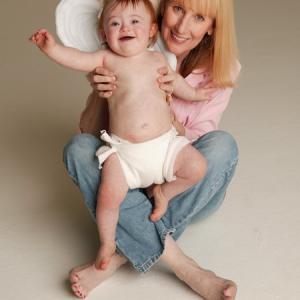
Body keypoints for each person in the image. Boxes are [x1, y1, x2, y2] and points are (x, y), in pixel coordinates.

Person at [62, 0, 240, 299]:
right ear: (162, 10)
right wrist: (99, 93)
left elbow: (196, 144)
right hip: (132, 171)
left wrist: (167, 106)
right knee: (78, 149)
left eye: (199, 18)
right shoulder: (128, 39)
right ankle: (184, 265)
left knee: (223, 146)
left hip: (181, 185)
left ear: (212, 28)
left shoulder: (221, 70)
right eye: (178, 9)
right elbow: (94, 134)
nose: (182, 27)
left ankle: (120, 253)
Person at [30, 0, 222, 272]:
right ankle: (108, 242)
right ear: (103, 35)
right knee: (109, 199)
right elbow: (74, 58)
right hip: (125, 155)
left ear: (151, 30)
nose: (125, 28)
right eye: (115, 23)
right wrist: (50, 48)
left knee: (197, 167)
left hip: (165, 147)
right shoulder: (105, 59)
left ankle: (163, 195)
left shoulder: (159, 59)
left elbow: (178, 85)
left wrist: (196, 94)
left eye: (135, 22)